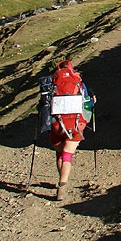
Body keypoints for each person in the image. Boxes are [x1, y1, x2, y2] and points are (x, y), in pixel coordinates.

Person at [48, 59, 94, 201]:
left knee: (59, 154)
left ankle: (60, 179)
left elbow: (44, 104)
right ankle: (62, 186)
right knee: (67, 155)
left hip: (57, 125)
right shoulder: (79, 82)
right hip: (76, 124)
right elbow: (89, 102)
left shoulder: (52, 83)